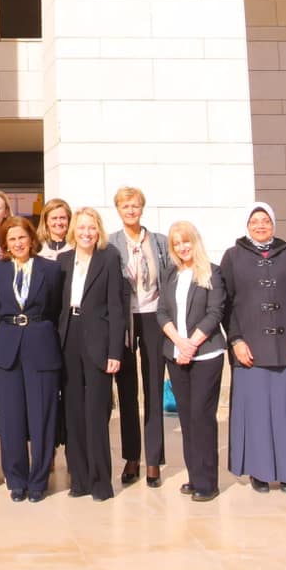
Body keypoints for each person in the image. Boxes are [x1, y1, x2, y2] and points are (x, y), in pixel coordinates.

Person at [220, 202, 286, 493]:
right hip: (250, 351)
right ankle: (260, 472)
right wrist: (236, 340)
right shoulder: (233, 257)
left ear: (273, 224)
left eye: (265, 220)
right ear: (247, 226)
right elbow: (224, 303)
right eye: (255, 221)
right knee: (257, 416)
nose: (260, 225)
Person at [0, 217, 62, 502]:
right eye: (12, 239)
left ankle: (39, 480)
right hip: (8, 348)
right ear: (5, 244)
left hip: (41, 346)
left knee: (42, 416)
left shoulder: (51, 269)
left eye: (22, 237)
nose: (18, 243)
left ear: (32, 239)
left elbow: (55, 309)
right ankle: (16, 480)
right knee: (11, 419)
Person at [55, 207, 126, 501]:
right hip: (69, 335)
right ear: (74, 229)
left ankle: (100, 483)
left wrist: (115, 350)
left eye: (91, 227)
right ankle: (80, 479)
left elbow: (117, 307)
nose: (86, 232)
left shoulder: (109, 258)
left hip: (98, 339)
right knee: (73, 411)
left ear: (98, 230)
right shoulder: (63, 261)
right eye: (81, 227)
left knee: (96, 412)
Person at [160, 219, 226, 502]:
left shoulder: (212, 272)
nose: (181, 247)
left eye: (185, 241)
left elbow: (215, 312)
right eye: (176, 243)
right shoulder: (170, 274)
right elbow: (161, 311)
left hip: (206, 354)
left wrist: (191, 344)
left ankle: (208, 482)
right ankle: (195, 475)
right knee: (186, 418)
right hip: (177, 354)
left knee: (201, 416)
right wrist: (179, 342)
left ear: (194, 241)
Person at [108, 186, 169, 489]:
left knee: (153, 389)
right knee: (127, 391)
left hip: (154, 317)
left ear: (142, 208)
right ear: (118, 210)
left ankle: (154, 459)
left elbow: (169, 279)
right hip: (125, 320)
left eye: (134, 206)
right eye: (125, 206)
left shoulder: (159, 242)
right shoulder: (111, 243)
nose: (130, 211)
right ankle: (132, 456)